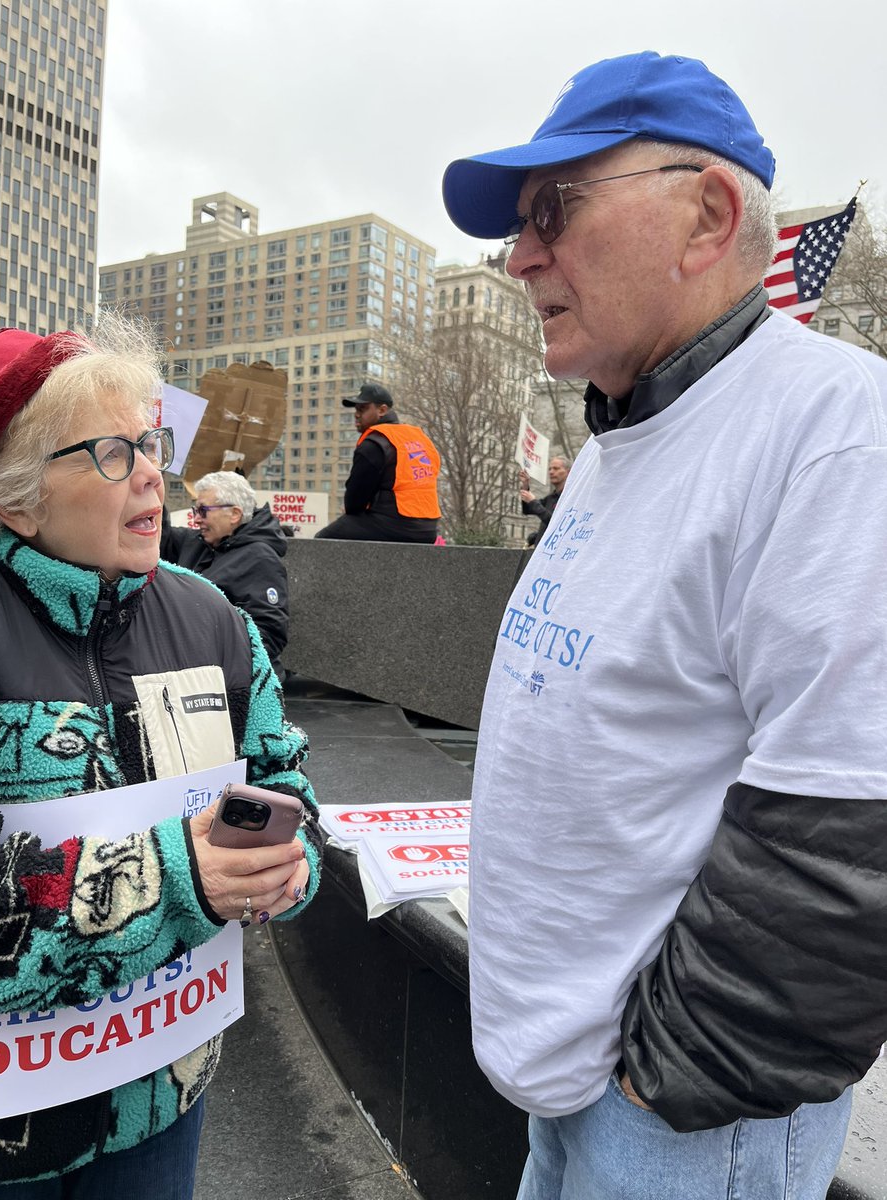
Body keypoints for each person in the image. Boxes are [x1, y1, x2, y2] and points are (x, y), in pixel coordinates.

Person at [442, 50, 887, 1200]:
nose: (518, 254)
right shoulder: (627, 429)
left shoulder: (839, 436)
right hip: (582, 1086)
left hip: (684, 1127)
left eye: (554, 208)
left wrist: (664, 1082)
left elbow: (851, 832)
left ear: (708, 215)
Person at [0, 320, 322, 1195]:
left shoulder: (216, 619)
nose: (150, 474)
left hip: (159, 1107)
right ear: (13, 498)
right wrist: (177, 877)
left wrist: (285, 867)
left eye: (148, 443)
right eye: (107, 453)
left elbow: (283, 780)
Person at [161, 470, 290, 682]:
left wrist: (213, 662)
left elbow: (269, 633)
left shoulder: (260, 557)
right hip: (196, 673)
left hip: (231, 682)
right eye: (196, 510)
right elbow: (161, 537)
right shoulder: (199, 543)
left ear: (234, 514)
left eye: (203, 511)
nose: (196, 519)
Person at [315, 383, 441, 543]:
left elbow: (354, 503)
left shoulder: (374, 444)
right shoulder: (420, 439)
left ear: (382, 410)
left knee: (321, 540)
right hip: (429, 529)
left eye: (362, 409)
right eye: (356, 409)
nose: (356, 414)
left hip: (395, 525)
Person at [519, 455, 570, 546]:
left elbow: (557, 524)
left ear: (568, 472)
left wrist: (533, 502)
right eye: (549, 469)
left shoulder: (570, 497)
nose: (551, 472)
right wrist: (525, 486)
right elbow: (527, 510)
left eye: (556, 468)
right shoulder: (551, 498)